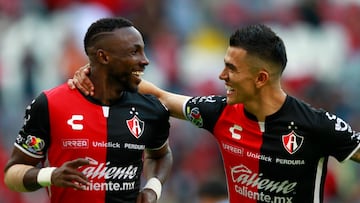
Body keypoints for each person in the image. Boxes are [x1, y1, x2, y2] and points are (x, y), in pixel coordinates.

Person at [69, 24, 360, 203]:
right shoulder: (218, 113)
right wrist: (103, 73)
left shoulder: (319, 126)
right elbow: (161, 97)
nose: (221, 75)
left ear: (260, 78)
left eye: (231, 69)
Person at [4, 17, 173, 203]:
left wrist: (152, 188)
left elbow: (161, 154)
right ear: (104, 57)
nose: (145, 60)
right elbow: (12, 174)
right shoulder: (50, 104)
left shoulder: (150, 108)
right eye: (134, 52)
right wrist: (49, 176)